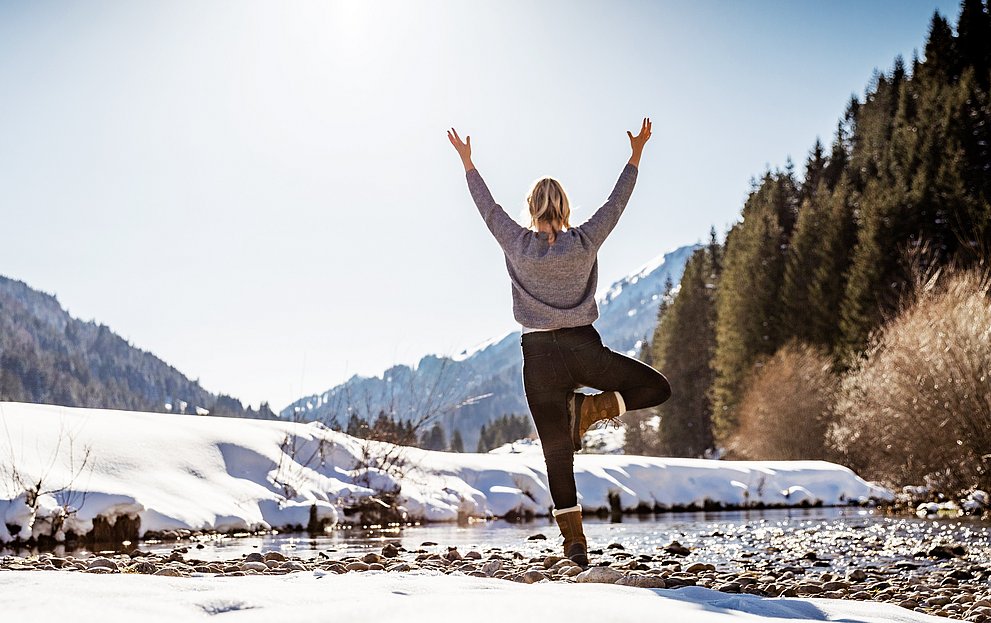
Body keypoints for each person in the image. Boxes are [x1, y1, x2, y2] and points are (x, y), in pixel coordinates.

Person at [447, 118, 671, 568]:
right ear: (565, 205)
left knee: (556, 453)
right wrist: (636, 154)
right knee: (656, 388)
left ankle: (574, 545)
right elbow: (617, 203)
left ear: (531, 207)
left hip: (538, 360)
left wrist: (468, 163)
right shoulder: (586, 240)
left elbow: (487, 207)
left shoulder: (516, 243)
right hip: (583, 350)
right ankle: (589, 411)